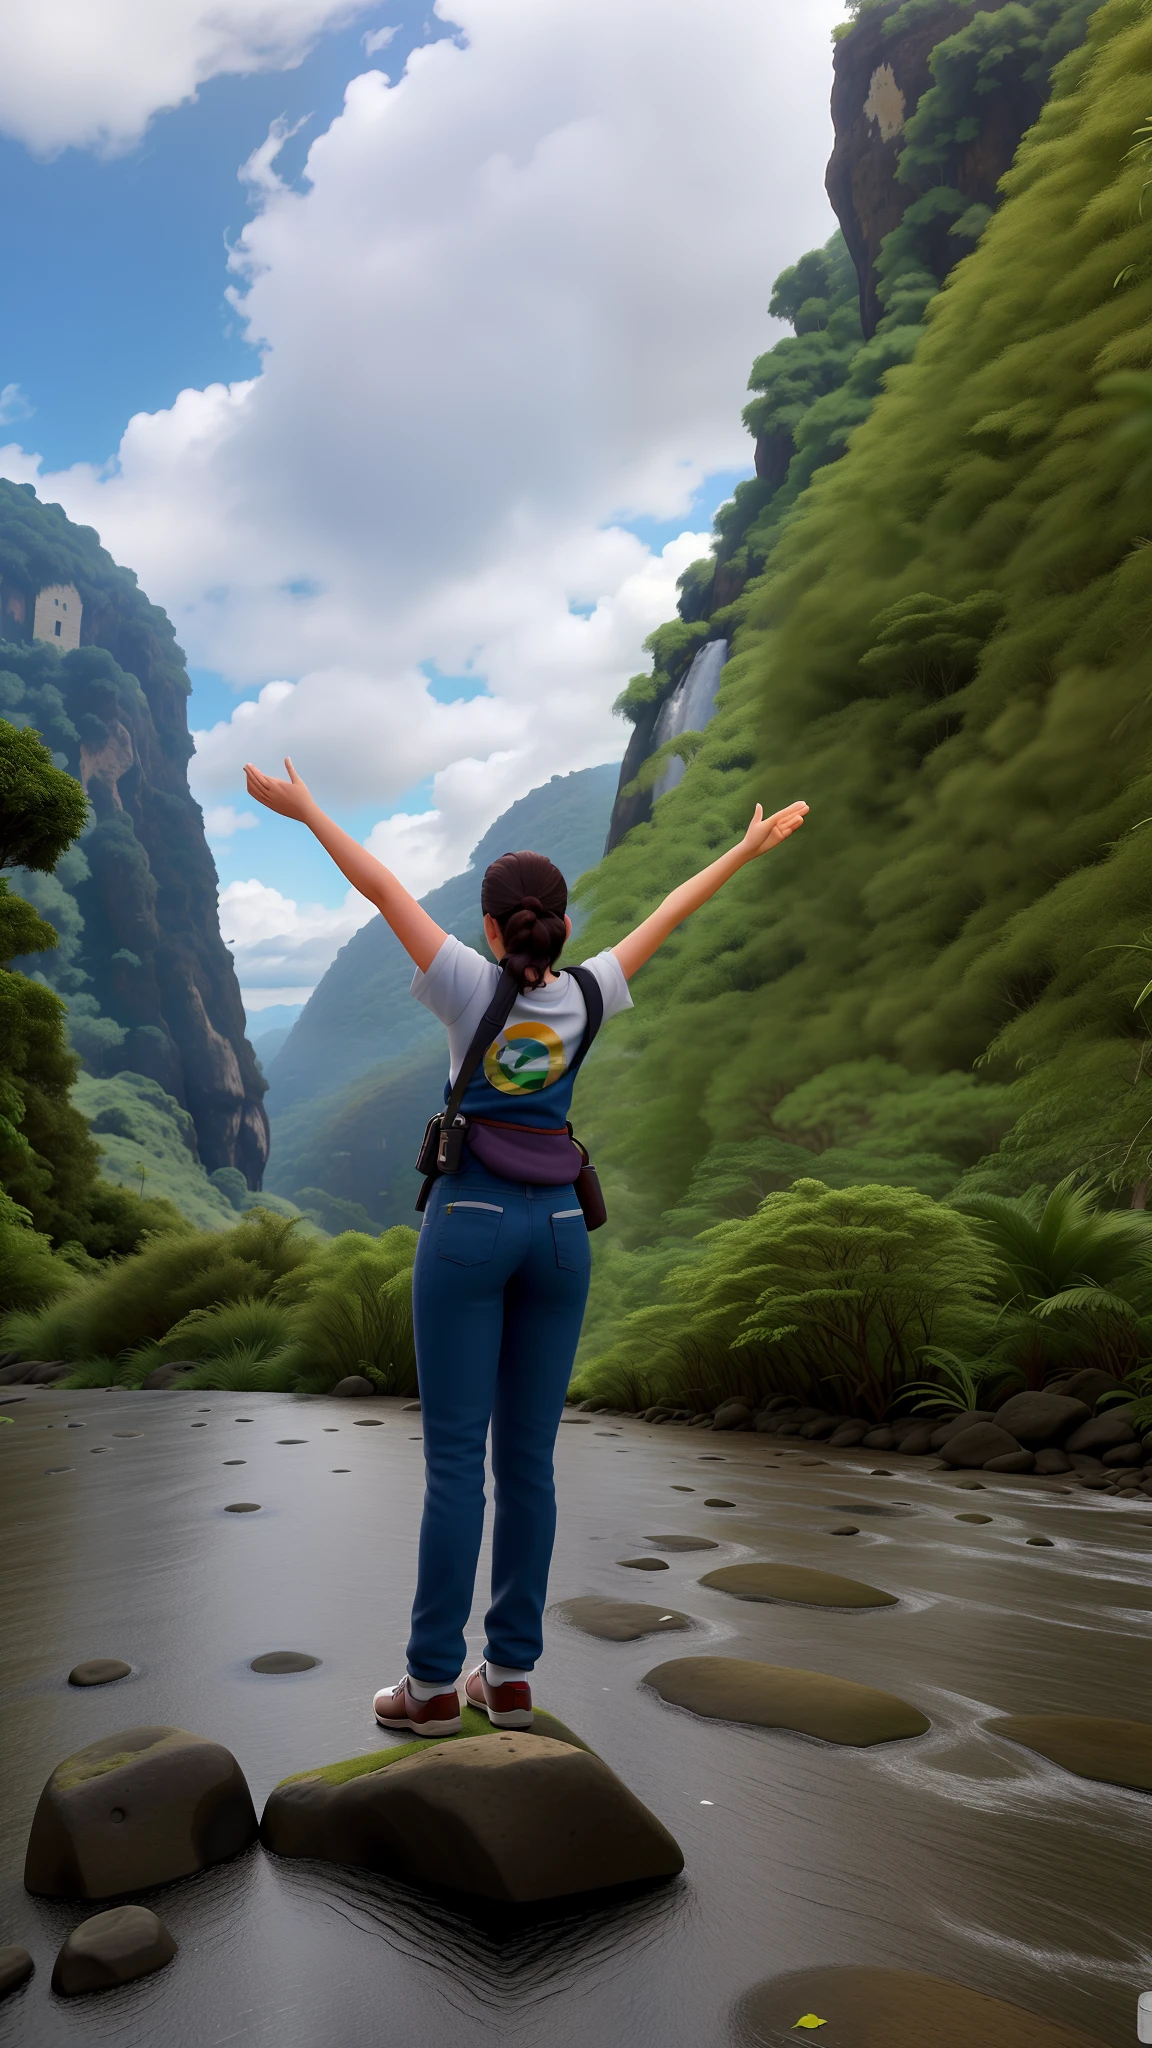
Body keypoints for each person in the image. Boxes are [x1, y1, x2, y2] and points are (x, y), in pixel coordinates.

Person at [243, 755, 807, 1734]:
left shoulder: (464, 981)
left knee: (457, 1461)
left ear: (493, 928)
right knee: (531, 1464)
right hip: (559, 1231)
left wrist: (304, 810)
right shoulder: (591, 993)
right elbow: (671, 912)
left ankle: (426, 1687)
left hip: (467, 1223)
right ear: (566, 926)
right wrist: (748, 848)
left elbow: (378, 885)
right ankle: (508, 1677)